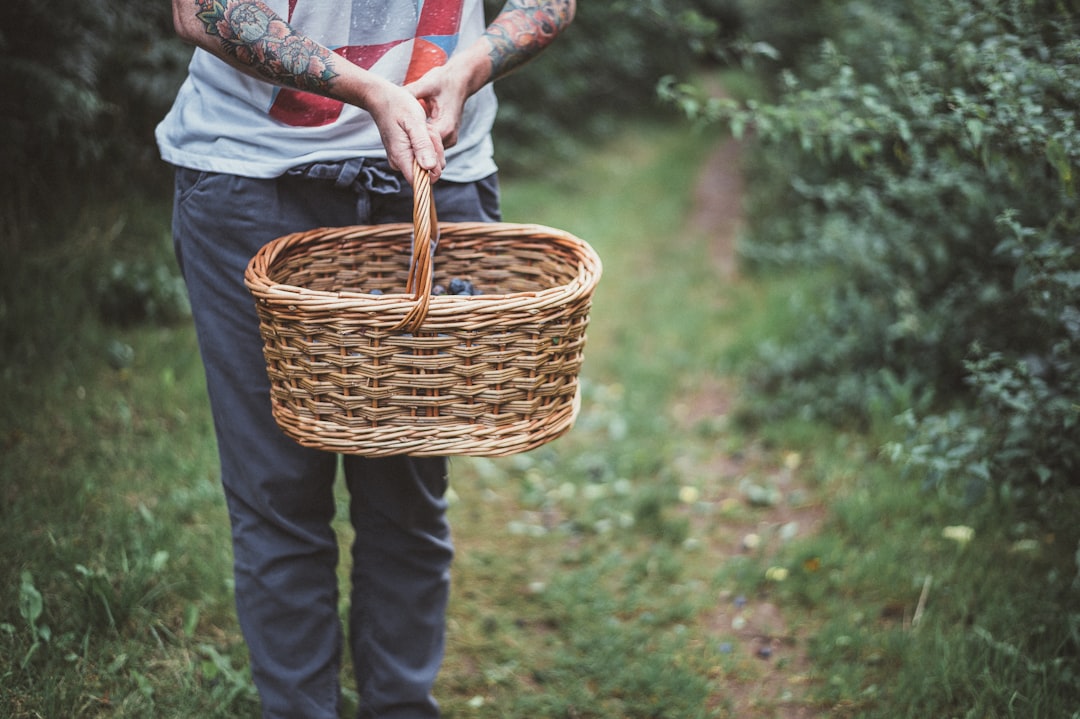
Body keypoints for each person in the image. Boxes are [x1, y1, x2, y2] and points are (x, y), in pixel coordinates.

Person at [155, 1, 575, 717]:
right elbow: (202, 11)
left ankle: (401, 706)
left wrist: (469, 65)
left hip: (434, 178)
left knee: (407, 492)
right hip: (255, 180)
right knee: (276, 493)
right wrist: (370, 91)